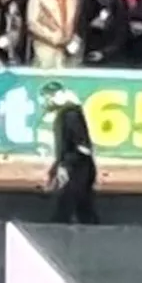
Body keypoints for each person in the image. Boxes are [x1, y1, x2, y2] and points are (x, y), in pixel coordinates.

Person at [41, 80, 98, 225]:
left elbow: (82, 147)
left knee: (67, 206)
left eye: (50, 97)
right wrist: (55, 169)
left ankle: (57, 234)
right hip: (79, 166)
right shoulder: (67, 114)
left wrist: (65, 166)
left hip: (78, 168)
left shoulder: (70, 115)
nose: (48, 101)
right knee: (82, 207)